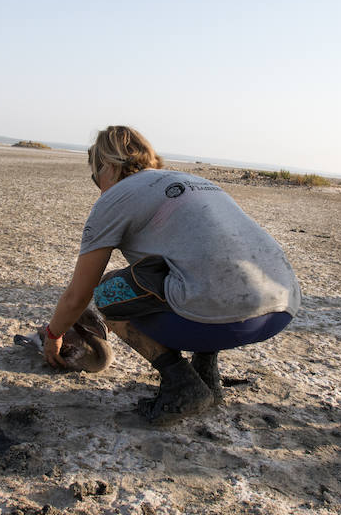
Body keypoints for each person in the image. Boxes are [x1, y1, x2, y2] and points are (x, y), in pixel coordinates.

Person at [44, 126, 301, 424]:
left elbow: (78, 295)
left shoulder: (115, 198)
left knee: (108, 292)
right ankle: (206, 375)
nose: (98, 186)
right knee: (196, 272)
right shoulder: (195, 181)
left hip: (224, 316)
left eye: (94, 176)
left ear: (109, 167)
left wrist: (53, 335)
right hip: (280, 309)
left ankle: (182, 384)